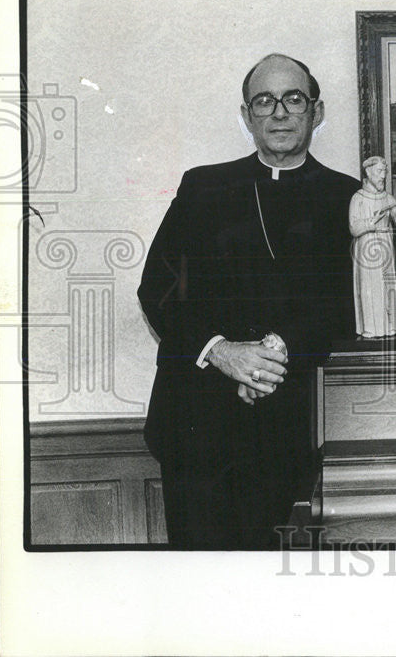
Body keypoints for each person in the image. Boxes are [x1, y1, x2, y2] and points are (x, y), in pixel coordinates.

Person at [138, 54, 359, 549]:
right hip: (195, 420)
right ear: (247, 116)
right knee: (199, 580)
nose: (279, 112)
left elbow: (345, 304)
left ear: (316, 112)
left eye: (293, 98)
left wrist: (272, 355)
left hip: (284, 423)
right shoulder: (203, 187)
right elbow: (157, 288)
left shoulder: (346, 196)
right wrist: (222, 351)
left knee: (263, 576)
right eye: (265, 101)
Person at [349, 156, 396, 338]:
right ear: (369, 172)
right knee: (369, 289)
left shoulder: (388, 198)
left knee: (386, 287)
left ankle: (390, 327)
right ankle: (370, 328)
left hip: (385, 248)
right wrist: (372, 222)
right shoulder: (358, 199)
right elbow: (353, 228)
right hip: (366, 249)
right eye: (379, 171)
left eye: (385, 172)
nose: (383, 176)